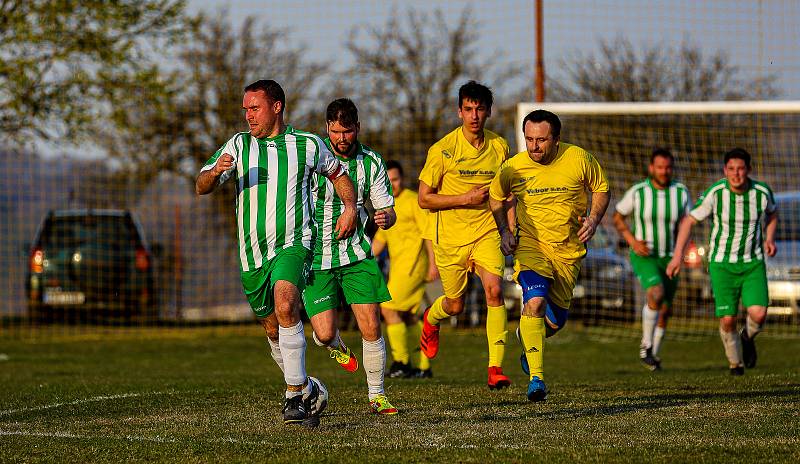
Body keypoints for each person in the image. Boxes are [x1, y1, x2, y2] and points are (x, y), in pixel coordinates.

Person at [195, 79, 356, 428]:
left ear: (277, 106)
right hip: (252, 254)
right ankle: (310, 387)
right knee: (272, 328)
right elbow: (201, 185)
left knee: (286, 305)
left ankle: (295, 395)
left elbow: (339, 173)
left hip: (294, 243)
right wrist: (215, 171)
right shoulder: (238, 145)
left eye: (254, 108)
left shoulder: (308, 144)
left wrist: (350, 207)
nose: (248, 116)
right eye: (245, 110)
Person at [489, 109, 609, 401]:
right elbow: (496, 197)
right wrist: (505, 231)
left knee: (553, 323)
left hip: (568, 252)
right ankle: (537, 379)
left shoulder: (579, 159)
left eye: (541, 140)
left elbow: (602, 188)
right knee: (535, 300)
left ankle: (527, 340)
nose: (534, 147)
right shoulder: (513, 167)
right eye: (529, 139)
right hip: (531, 247)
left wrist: (593, 219)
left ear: (556, 139)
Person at [303, 98, 400, 415]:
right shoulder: (312, 157)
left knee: (371, 326)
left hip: (357, 253)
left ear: (357, 128)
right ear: (326, 129)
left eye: (347, 131)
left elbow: (386, 208)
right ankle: (335, 345)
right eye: (335, 131)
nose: (341, 138)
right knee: (324, 333)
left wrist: (386, 217)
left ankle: (377, 396)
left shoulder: (371, 161)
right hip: (316, 255)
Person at [417, 80, 514, 390]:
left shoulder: (500, 147)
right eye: (468, 109)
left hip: (487, 232)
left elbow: (506, 194)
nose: (474, 115)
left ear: (488, 112)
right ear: (459, 112)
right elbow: (424, 199)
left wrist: (507, 230)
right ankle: (431, 321)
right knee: (455, 305)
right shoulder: (443, 149)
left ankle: (495, 367)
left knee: (494, 292)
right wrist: (464, 199)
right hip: (451, 238)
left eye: (480, 109)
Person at [667, 148, 778, 376]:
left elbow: (773, 214)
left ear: (748, 169)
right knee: (728, 320)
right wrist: (677, 255)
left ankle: (747, 337)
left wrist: (769, 238)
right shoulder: (716, 193)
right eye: (731, 169)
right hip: (721, 265)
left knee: (758, 314)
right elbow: (689, 221)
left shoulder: (762, 192)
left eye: (740, 169)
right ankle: (735, 365)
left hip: (752, 262)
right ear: (724, 170)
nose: (736, 174)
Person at [613, 148, 690, 371]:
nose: (664, 171)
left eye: (668, 167)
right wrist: (632, 241)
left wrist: (680, 254)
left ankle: (652, 357)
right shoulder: (638, 192)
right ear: (651, 168)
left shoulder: (681, 192)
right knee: (655, 293)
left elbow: (688, 223)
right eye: (659, 167)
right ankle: (645, 346)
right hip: (644, 254)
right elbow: (618, 217)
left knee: (664, 309)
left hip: (671, 257)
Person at [372, 160, 438, 379]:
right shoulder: (386, 207)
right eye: (388, 182)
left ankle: (401, 362)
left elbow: (427, 233)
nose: (392, 185)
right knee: (409, 317)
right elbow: (378, 242)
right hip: (399, 269)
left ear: (402, 179)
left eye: (396, 180)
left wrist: (433, 263)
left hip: (413, 267)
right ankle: (424, 365)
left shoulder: (412, 201)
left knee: (388, 309)